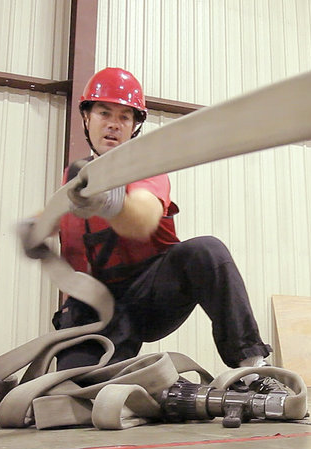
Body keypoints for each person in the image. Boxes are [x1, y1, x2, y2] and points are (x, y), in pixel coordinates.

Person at [53, 67, 272, 384]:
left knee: (206, 251)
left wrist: (110, 203)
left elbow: (143, 217)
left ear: (134, 126)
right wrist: (36, 229)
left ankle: (253, 368)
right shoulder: (73, 177)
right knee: (77, 389)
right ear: (86, 117)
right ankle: (159, 387)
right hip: (97, 308)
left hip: (149, 294)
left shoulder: (147, 167)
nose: (114, 123)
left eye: (125, 117)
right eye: (104, 112)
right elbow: (62, 226)